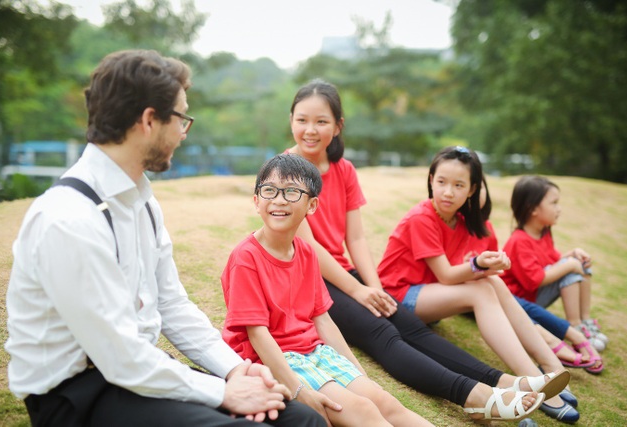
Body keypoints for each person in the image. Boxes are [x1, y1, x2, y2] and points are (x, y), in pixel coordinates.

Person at [5, 50, 325, 427]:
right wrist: (225, 392)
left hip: (140, 370)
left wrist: (236, 370)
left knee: (299, 420)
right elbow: (119, 355)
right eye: (181, 119)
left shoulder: (141, 199)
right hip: (77, 394)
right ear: (149, 120)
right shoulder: (68, 218)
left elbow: (172, 305)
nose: (183, 133)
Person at [284, 79, 558, 423]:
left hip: (345, 275)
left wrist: (375, 287)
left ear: (338, 126)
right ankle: (476, 396)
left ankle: (505, 382)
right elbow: (309, 247)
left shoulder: (344, 169)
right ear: (291, 119)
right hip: (309, 282)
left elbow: (355, 239)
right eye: (302, 120)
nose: (310, 130)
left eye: (321, 121)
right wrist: (359, 291)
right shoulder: (285, 172)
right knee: (384, 335)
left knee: (411, 326)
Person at [221, 153, 437, 426]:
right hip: (272, 360)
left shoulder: (307, 254)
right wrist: (299, 391)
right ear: (256, 201)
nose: (278, 199)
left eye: (291, 192)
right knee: (363, 411)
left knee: (383, 402)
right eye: (269, 190)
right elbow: (257, 334)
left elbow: (322, 319)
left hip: (315, 353)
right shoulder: (246, 258)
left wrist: (359, 374)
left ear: (312, 206)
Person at [377, 146, 579, 423]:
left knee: (491, 281)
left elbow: (463, 271)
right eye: (441, 182)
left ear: (472, 190)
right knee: (481, 288)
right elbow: (447, 275)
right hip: (398, 297)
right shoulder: (421, 217)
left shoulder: (459, 221)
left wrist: (489, 264)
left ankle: (549, 366)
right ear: (431, 180)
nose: (448, 192)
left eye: (458, 185)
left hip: (427, 295)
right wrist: (478, 266)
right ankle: (533, 379)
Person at [501, 175, 608, 353]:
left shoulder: (543, 232)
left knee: (580, 264)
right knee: (571, 270)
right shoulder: (519, 241)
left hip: (535, 296)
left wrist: (573, 255)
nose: (559, 209)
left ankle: (585, 321)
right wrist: (569, 265)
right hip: (520, 303)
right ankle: (575, 326)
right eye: (554, 203)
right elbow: (534, 280)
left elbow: (554, 263)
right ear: (533, 209)